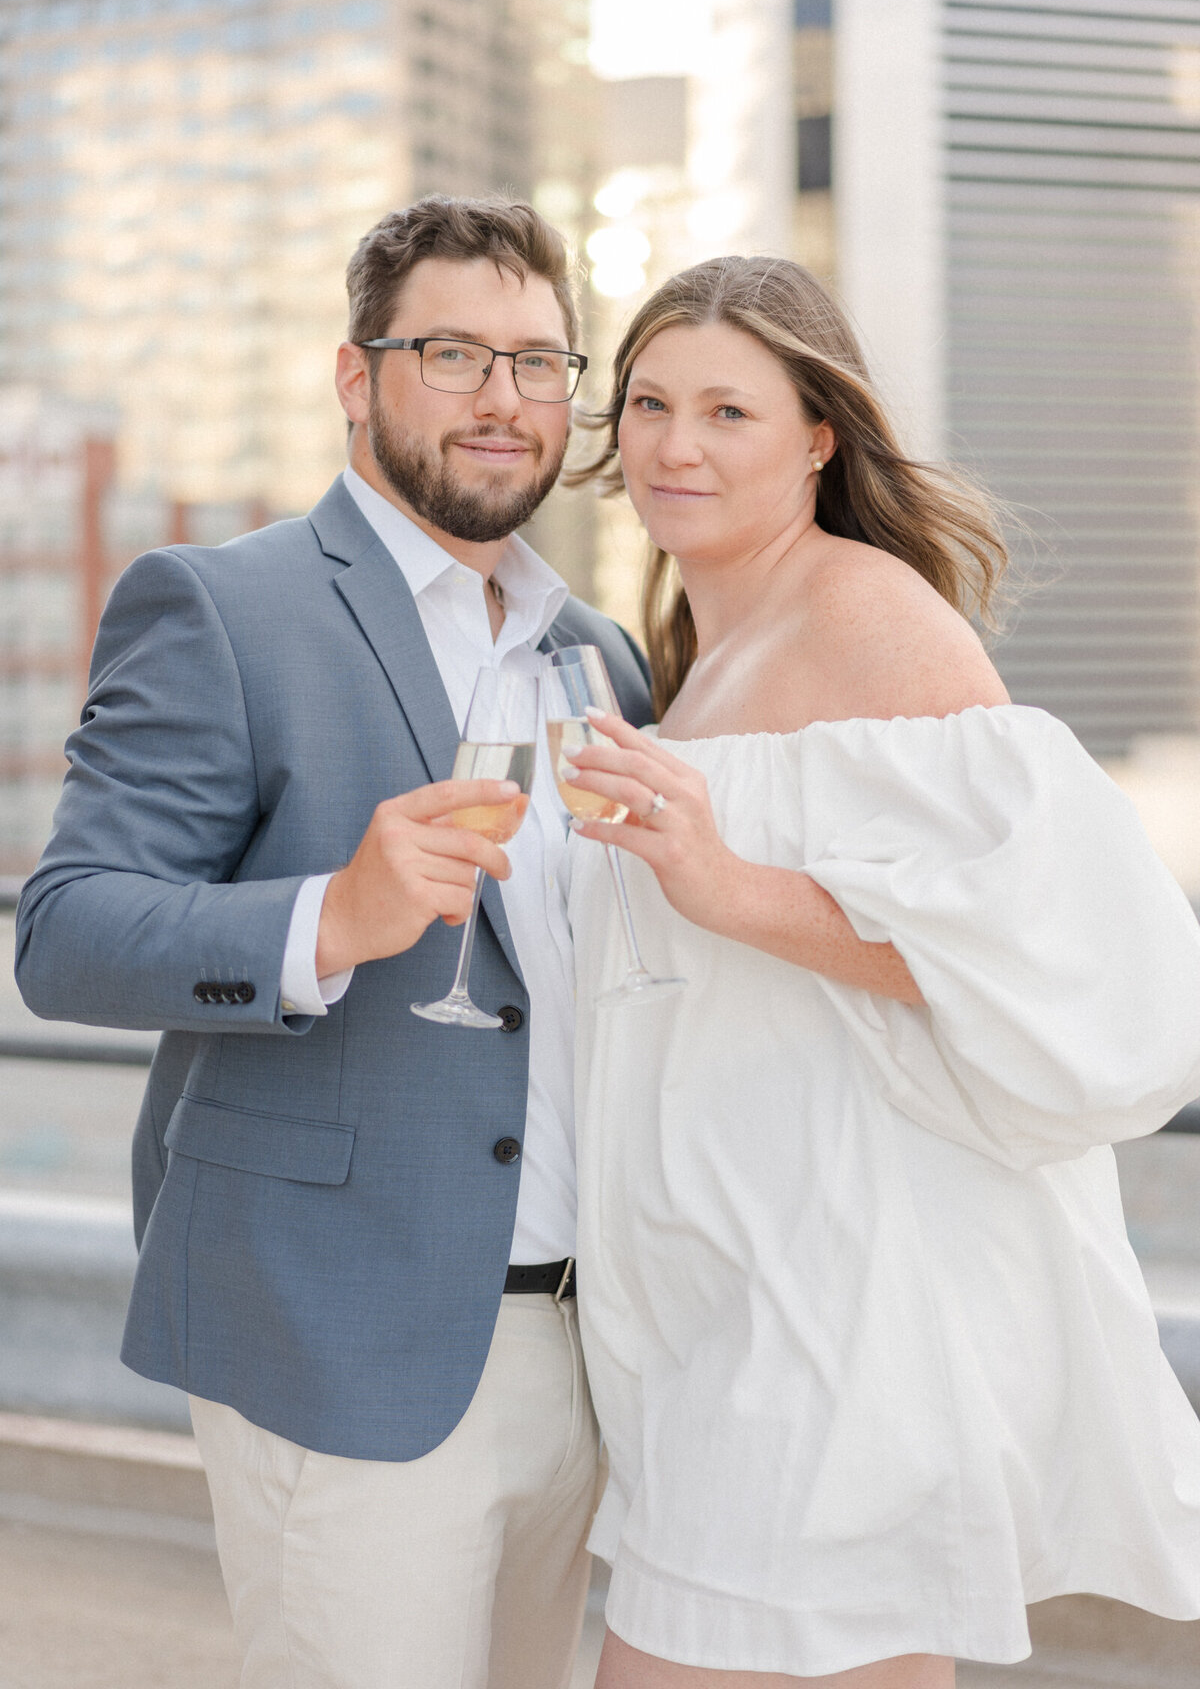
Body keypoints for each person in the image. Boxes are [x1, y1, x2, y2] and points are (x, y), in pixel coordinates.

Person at [15, 195, 652, 1689]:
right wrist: (334, 918)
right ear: (357, 378)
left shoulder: (597, 655)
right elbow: (68, 933)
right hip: (341, 1339)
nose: (505, 399)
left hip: (584, 1349)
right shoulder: (222, 608)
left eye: (541, 363)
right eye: (454, 353)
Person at [561, 254, 1200, 1688]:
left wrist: (734, 889)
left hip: (833, 1311)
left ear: (818, 437)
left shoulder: (867, 612)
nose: (674, 444)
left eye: (730, 411)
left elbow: (1052, 939)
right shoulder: (696, 653)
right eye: (651, 402)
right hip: (730, 1302)